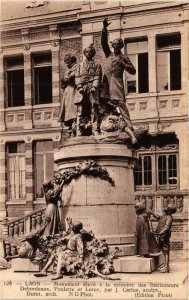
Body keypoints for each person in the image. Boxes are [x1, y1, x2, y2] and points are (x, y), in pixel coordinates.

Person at [101, 18, 137, 144]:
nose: (115, 46)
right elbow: (103, 43)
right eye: (114, 44)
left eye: (117, 44)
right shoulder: (109, 54)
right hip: (106, 81)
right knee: (104, 102)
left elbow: (133, 71)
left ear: (121, 46)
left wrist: (124, 64)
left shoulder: (123, 57)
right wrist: (104, 28)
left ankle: (128, 124)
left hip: (116, 81)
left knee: (121, 103)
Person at [75, 45, 102, 136]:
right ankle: (79, 129)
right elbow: (77, 77)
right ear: (84, 53)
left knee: (93, 108)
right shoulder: (79, 65)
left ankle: (95, 129)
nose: (89, 53)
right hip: (81, 87)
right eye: (87, 52)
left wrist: (94, 86)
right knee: (80, 109)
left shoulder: (97, 65)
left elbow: (97, 76)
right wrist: (79, 87)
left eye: (90, 52)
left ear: (93, 53)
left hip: (92, 87)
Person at [149, 204, 177, 273]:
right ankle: (165, 265)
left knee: (165, 250)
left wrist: (160, 233)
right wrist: (152, 212)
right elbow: (158, 217)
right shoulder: (165, 215)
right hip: (161, 235)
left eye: (168, 209)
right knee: (163, 249)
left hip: (164, 236)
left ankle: (166, 267)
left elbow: (166, 228)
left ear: (170, 211)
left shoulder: (169, 217)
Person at [58, 54, 78, 136]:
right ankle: (71, 128)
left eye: (67, 61)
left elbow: (72, 79)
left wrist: (65, 80)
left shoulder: (76, 67)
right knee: (68, 110)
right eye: (66, 61)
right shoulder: (69, 70)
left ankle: (74, 126)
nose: (66, 63)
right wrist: (64, 81)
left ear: (71, 60)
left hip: (73, 91)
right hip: (68, 91)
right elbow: (63, 83)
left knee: (72, 109)